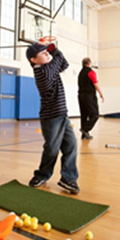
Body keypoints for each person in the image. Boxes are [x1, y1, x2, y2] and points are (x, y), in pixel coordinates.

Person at [26, 42, 80, 194]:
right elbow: (59, 60)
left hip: (62, 114)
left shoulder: (49, 68)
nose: (47, 54)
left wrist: (51, 49)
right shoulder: (43, 72)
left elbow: (64, 63)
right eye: (43, 53)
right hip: (52, 117)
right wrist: (52, 47)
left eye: (47, 52)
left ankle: (68, 179)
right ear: (33, 60)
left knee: (71, 146)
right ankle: (42, 175)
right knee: (52, 149)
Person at [78, 57, 104, 139]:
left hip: (81, 95)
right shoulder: (91, 72)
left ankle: (84, 135)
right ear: (89, 63)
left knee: (84, 115)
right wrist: (101, 94)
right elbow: (96, 83)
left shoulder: (80, 73)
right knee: (95, 114)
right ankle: (85, 129)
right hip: (89, 96)